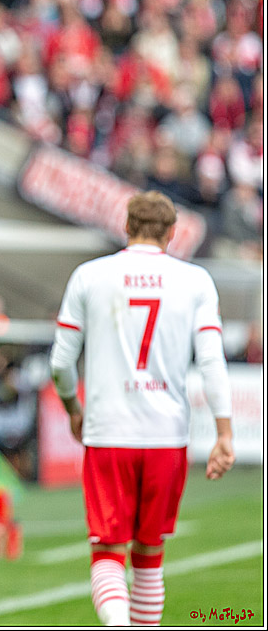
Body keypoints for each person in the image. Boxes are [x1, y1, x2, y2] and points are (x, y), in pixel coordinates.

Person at [49, 191, 235, 626]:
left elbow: (60, 363)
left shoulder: (90, 275)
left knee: (107, 550)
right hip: (166, 435)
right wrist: (224, 433)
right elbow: (211, 361)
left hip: (109, 430)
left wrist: (73, 408)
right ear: (172, 233)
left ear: (126, 227)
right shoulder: (195, 280)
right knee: (150, 551)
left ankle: (117, 623)